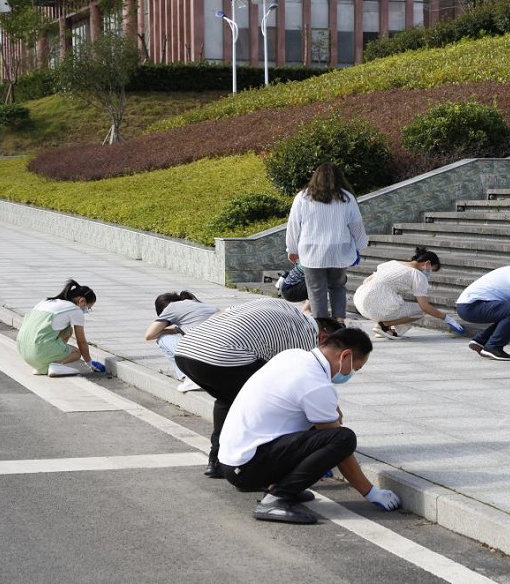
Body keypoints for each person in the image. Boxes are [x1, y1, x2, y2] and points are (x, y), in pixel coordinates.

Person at [218, 327, 400, 524]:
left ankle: (281, 486)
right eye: (355, 368)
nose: (350, 374)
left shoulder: (293, 356)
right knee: (343, 438)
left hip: (234, 461)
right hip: (247, 467)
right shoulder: (316, 383)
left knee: (325, 430)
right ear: (345, 356)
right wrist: (370, 491)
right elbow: (338, 444)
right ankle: (276, 498)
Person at [173, 298, 343, 478]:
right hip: (221, 354)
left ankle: (216, 461)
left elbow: (221, 314)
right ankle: (308, 459)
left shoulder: (279, 305)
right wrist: (330, 412)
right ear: (324, 337)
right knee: (286, 402)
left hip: (186, 349)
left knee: (228, 399)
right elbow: (305, 387)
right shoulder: (307, 337)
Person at [285, 162, 368, 324]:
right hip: (339, 250)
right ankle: (340, 321)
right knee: (337, 286)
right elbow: (357, 225)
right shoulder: (346, 198)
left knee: (316, 289)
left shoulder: (303, 197)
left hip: (311, 251)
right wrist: (359, 245)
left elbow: (293, 225)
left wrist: (292, 248)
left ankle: (321, 325)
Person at [353, 246, 465, 340]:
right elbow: (424, 306)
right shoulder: (417, 275)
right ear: (427, 263)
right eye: (431, 269)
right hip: (374, 307)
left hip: (359, 300)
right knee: (419, 311)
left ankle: (385, 327)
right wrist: (447, 318)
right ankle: (383, 325)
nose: (429, 272)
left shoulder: (393, 263)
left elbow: (366, 280)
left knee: (396, 301)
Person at [17, 279, 105, 377]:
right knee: (76, 353)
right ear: (82, 301)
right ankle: (54, 365)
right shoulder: (75, 310)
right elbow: (81, 341)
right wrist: (90, 363)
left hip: (23, 350)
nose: (86, 311)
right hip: (38, 349)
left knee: (68, 330)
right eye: (88, 308)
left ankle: (41, 365)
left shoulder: (46, 301)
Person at [143, 290, 220, 391]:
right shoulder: (203, 305)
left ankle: (191, 378)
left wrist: (166, 330)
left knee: (162, 339)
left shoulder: (171, 307)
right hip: (224, 357)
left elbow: (149, 335)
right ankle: (191, 376)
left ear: (163, 310)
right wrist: (176, 330)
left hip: (205, 357)